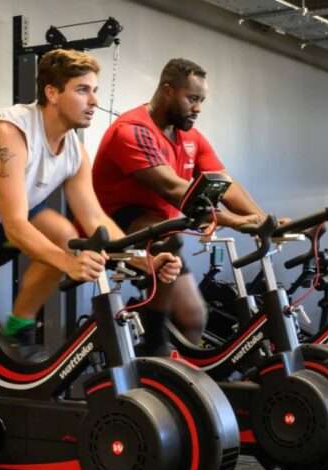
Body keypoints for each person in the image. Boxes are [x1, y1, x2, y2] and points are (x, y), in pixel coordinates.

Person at [0, 49, 181, 470]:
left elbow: (96, 223)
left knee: (65, 232)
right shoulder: (7, 136)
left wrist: (141, 260)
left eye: (93, 90)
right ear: (51, 93)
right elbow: (15, 226)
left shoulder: (73, 148)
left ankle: (15, 330)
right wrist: (69, 262)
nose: (93, 101)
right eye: (82, 90)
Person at [92, 58, 274, 355]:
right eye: (192, 98)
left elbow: (223, 182)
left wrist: (264, 220)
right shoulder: (133, 129)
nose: (198, 108)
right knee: (163, 235)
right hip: (115, 227)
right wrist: (236, 221)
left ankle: (162, 367)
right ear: (167, 91)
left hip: (162, 232)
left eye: (201, 100)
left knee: (192, 317)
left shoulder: (187, 134)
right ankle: (154, 345)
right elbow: (174, 189)